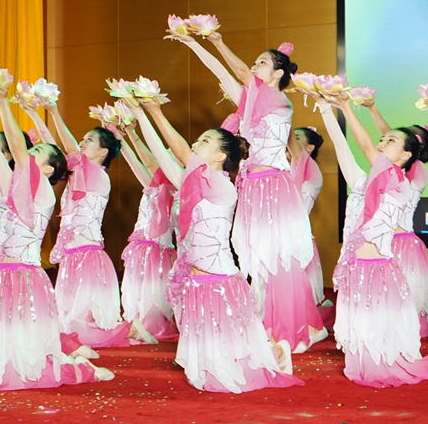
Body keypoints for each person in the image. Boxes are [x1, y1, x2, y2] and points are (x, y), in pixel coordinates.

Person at [165, 29, 325, 353]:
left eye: (262, 63)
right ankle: (272, 323)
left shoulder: (278, 100)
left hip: (273, 186)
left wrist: (217, 40)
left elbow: (238, 72)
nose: (254, 67)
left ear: (278, 73)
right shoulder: (252, 100)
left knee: (277, 256)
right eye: (255, 62)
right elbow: (225, 74)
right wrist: (194, 43)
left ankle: (292, 327)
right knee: (257, 256)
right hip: (252, 187)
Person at [131, 97, 302, 393]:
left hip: (218, 278)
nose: (196, 144)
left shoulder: (222, 186)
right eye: (198, 140)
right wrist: (139, 114)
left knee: (235, 355)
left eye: (205, 141)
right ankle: (272, 350)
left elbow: (180, 151)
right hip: (197, 279)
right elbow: (161, 154)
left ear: (221, 155)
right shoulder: (193, 180)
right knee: (218, 356)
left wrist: (155, 112)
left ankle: (275, 352)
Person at [0, 76, 110, 390]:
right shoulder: (12, 183)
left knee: (29, 353)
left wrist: (1, 102)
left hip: (24, 276)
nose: (29, 153)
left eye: (37, 151)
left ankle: (79, 368)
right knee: (8, 350)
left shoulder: (43, 191)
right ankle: (63, 360)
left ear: (47, 169)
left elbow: (16, 147)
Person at [323, 91, 428, 387]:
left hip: (377, 265)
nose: (382, 142)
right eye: (383, 139)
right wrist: (327, 108)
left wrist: (345, 105)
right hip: (358, 263)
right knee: (361, 318)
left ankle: (381, 360)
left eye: (390, 140)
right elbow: (350, 145)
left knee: (378, 319)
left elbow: (365, 144)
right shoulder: (371, 178)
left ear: (406, 156)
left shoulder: (400, 183)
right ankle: (364, 359)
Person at [20, 98, 133, 349]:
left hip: (87, 256)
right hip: (72, 255)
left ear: (103, 152)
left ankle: (129, 329)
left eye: (89, 140)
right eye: (83, 139)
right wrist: (36, 114)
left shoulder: (97, 173)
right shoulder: (79, 172)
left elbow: (69, 147)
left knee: (82, 326)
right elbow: (53, 149)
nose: (82, 143)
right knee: (68, 322)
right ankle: (121, 331)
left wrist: (52, 110)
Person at [364, 101, 428, 331]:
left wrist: (374, 111)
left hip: (402, 242)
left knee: (404, 292)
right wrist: (373, 109)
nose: (388, 142)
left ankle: (402, 331)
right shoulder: (393, 169)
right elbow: (389, 138)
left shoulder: (418, 169)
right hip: (383, 238)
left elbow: (392, 139)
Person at [118, 119, 179, 341]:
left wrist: (132, 134)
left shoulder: (176, 186)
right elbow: (136, 164)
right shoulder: (154, 186)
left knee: (153, 296)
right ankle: (137, 326)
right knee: (135, 293)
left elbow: (150, 162)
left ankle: (153, 327)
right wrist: (121, 138)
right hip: (140, 248)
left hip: (157, 250)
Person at [289, 127, 327, 306]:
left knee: (299, 300)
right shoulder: (280, 169)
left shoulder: (311, 168)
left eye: (297, 138)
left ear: (310, 148)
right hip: (278, 239)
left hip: (297, 240)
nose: (290, 141)